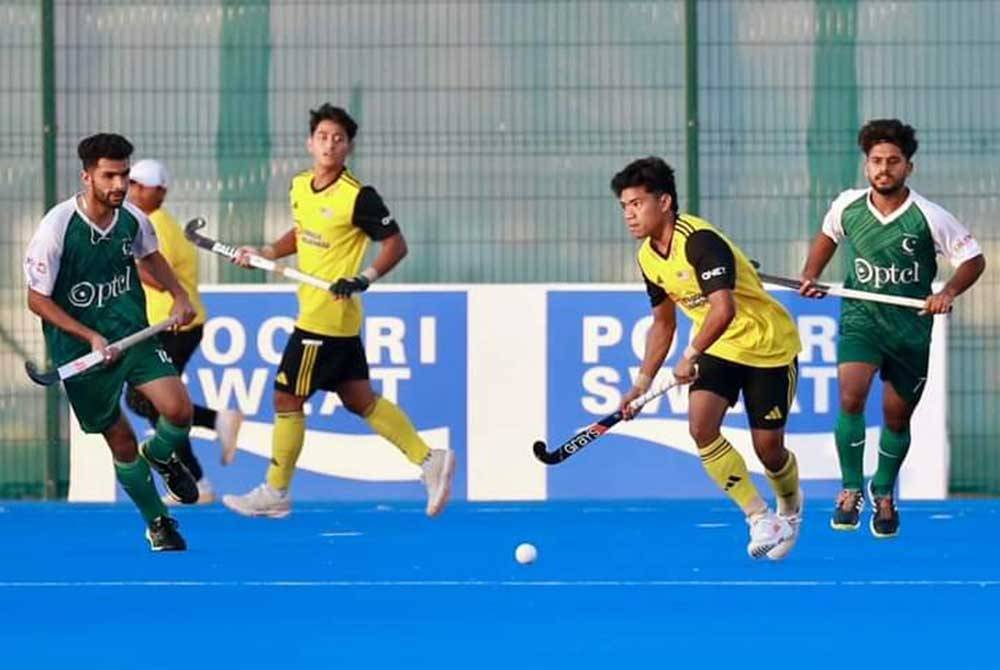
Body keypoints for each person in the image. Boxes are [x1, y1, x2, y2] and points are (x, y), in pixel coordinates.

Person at [221, 104, 455, 518]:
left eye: (339, 139)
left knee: (286, 398)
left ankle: (275, 491)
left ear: (348, 148)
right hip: (326, 316)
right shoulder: (298, 186)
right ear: (310, 143)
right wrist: (266, 252)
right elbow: (302, 231)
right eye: (323, 136)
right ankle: (428, 459)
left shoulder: (357, 196)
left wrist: (363, 277)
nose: (330, 144)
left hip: (325, 318)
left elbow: (396, 245)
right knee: (359, 398)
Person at [799, 119, 985, 538]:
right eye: (876, 161)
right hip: (862, 318)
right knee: (851, 395)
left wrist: (948, 292)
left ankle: (883, 490)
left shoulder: (929, 216)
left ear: (908, 168)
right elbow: (828, 235)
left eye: (893, 162)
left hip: (910, 330)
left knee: (896, 418)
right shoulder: (847, 205)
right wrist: (811, 273)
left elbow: (973, 260)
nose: (884, 169)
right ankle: (850, 489)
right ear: (867, 165)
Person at [614, 156, 803, 560]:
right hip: (718, 347)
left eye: (636, 204)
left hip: (766, 344)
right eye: (624, 207)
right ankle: (758, 516)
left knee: (769, 449)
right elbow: (663, 324)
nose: (629, 215)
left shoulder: (700, 240)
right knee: (701, 427)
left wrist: (690, 354)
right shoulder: (648, 257)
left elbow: (724, 310)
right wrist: (641, 384)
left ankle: (790, 506)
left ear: (664, 202)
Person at [24, 133, 199, 551]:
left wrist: (178, 295)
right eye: (109, 176)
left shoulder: (133, 219)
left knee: (178, 409)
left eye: (124, 175)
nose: (118, 185)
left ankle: (160, 454)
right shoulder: (57, 227)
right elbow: (35, 298)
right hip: (80, 352)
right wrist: (89, 335)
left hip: (131, 333)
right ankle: (158, 521)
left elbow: (150, 255)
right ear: (87, 177)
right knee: (120, 441)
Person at [124, 159, 244, 505]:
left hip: (174, 325)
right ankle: (213, 428)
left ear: (158, 191)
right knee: (153, 401)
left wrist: (123, 265)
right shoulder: (157, 222)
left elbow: (156, 275)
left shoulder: (156, 224)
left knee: (155, 401)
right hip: (167, 326)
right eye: (131, 183)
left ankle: (196, 481)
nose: (131, 190)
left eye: (138, 184)